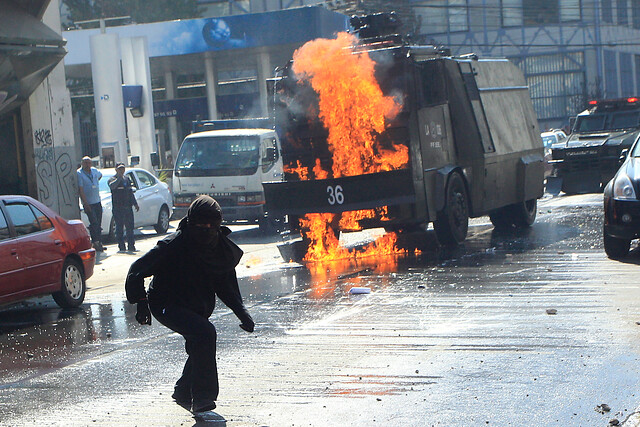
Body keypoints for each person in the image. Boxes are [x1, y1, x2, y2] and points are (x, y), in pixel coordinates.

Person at [125, 195, 254, 413]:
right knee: (205, 333)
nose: (206, 230)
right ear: (190, 223)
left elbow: (226, 285)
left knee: (200, 340)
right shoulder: (173, 245)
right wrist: (141, 302)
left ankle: (184, 390)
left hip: (198, 305)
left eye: (211, 226)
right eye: (200, 225)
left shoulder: (220, 248)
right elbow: (136, 271)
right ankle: (203, 397)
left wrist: (242, 313)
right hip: (167, 304)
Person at [108, 162, 139, 252]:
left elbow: (130, 193)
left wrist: (135, 203)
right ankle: (121, 246)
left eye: (123, 168)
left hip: (127, 207)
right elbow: (112, 187)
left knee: (130, 227)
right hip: (118, 208)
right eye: (119, 169)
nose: (122, 170)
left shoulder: (127, 179)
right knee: (119, 228)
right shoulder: (112, 179)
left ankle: (131, 246)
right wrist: (119, 178)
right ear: (116, 169)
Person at [77, 156, 104, 251]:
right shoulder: (79, 173)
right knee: (94, 222)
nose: (87, 165)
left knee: (99, 222)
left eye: (89, 163)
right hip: (89, 203)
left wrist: (95, 183)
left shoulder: (94, 171)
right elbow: (80, 189)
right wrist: (85, 203)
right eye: (85, 163)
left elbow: (100, 175)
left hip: (97, 201)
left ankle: (99, 242)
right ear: (82, 163)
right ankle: (95, 241)